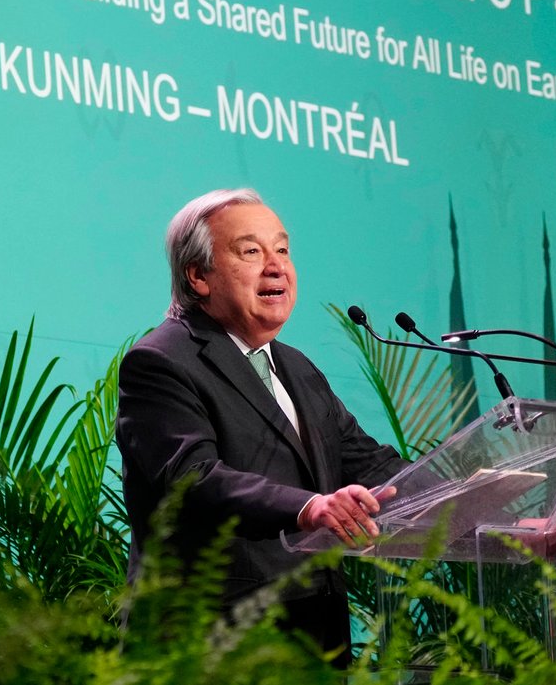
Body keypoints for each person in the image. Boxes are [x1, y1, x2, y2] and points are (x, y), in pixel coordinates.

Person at [115, 187, 406, 660]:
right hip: (208, 644)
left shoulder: (298, 369)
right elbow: (193, 478)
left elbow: (375, 469)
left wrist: (511, 526)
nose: (277, 267)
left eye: (283, 250)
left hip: (313, 640)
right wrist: (309, 507)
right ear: (198, 276)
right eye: (251, 251)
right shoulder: (161, 361)